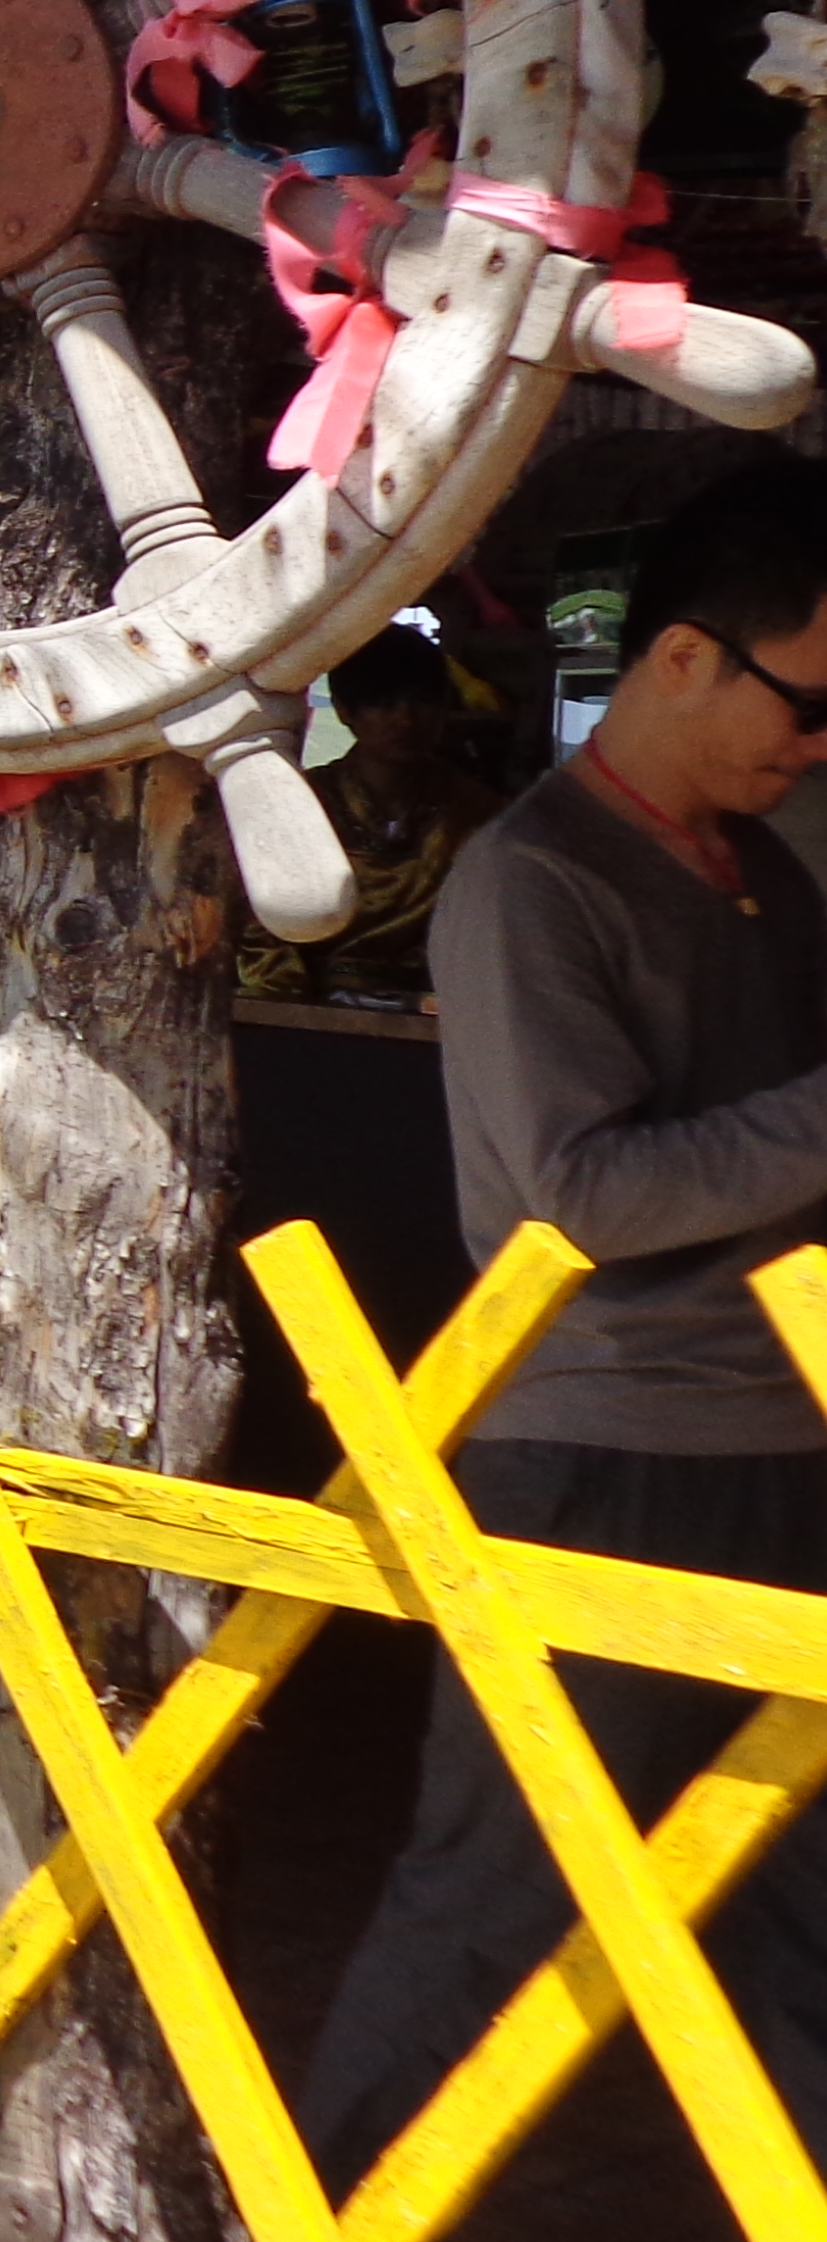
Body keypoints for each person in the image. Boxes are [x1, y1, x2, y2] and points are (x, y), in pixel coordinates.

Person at [302, 457, 827, 2173]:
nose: (814, 745)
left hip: (782, 1439)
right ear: (679, 656)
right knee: (494, 1893)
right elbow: (574, 1201)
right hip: (596, 1455)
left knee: (795, 1909)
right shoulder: (529, 883)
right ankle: (316, 2206)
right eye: (804, 701)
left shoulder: (764, 874)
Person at [237, 624, 501, 1008]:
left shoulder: (478, 812)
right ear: (345, 710)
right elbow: (259, 930)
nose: (405, 720)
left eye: (422, 702)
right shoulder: (298, 808)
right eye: (384, 704)